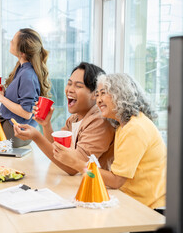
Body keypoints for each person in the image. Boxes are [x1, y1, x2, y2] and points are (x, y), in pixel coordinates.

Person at [52, 73, 166, 210]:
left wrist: (75, 163)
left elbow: (116, 180)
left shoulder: (134, 129)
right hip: (130, 200)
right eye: (97, 94)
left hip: (147, 208)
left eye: (103, 93)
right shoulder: (123, 126)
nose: (98, 100)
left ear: (121, 94)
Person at [14, 62, 115, 174]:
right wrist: (46, 125)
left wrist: (36, 137)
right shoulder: (74, 119)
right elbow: (58, 151)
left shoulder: (100, 121)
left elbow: (72, 167)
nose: (69, 90)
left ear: (95, 94)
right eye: (69, 83)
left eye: (78, 86)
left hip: (98, 187)